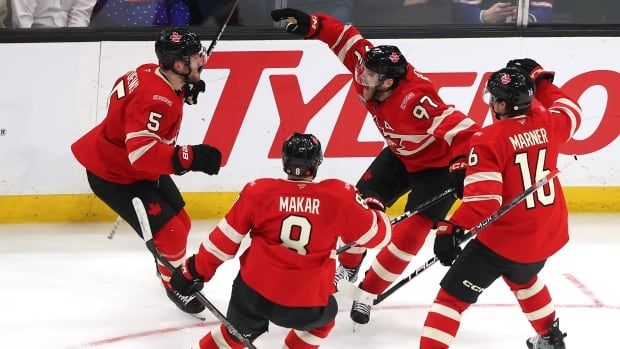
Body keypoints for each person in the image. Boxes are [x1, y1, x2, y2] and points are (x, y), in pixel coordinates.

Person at [271, 8, 480, 325]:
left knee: (409, 236)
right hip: (399, 155)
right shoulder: (370, 67)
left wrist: (463, 165)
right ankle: (350, 264)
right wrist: (311, 24)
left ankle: (367, 293)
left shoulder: (417, 99)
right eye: (363, 71)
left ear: (389, 81)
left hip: (436, 171)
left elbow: (466, 131)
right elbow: (344, 37)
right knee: (357, 209)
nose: (360, 78)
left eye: (369, 76)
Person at [170, 133, 393, 348]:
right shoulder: (339, 195)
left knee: (234, 334)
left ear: (285, 161)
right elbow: (379, 237)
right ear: (316, 163)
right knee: (325, 319)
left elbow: (223, 243)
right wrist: (374, 207)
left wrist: (193, 271)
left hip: (253, 294)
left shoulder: (258, 192)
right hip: (306, 303)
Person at [419, 59, 581, 348]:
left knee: (450, 301)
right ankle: (550, 339)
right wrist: (542, 83)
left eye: (494, 99)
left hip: (504, 241)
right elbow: (572, 111)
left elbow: (485, 202)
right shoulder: (548, 120)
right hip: (544, 235)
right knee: (524, 278)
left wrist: (450, 227)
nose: (491, 104)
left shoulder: (489, 139)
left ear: (503, 105)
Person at [71, 27, 222, 316]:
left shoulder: (151, 72)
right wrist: (192, 157)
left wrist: (182, 90)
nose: (201, 60)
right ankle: (172, 283)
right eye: (194, 57)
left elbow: (136, 115)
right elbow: (141, 154)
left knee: (183, 222)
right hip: (114, 175)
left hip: (126, 164)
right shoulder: (156, 99)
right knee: (173, 232)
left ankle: (165, 264)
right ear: (178, 65)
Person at [452, 0, 553, 24]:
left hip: (525, 36)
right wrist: (484, 16)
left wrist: (527, 17)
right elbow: (460, 11)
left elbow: (545, 10)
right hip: (481, 36)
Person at [12, 0, 96, 28]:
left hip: (69, 39)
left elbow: (80, 16)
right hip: (33, 38)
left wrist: (74, 46)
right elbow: (23, 23)